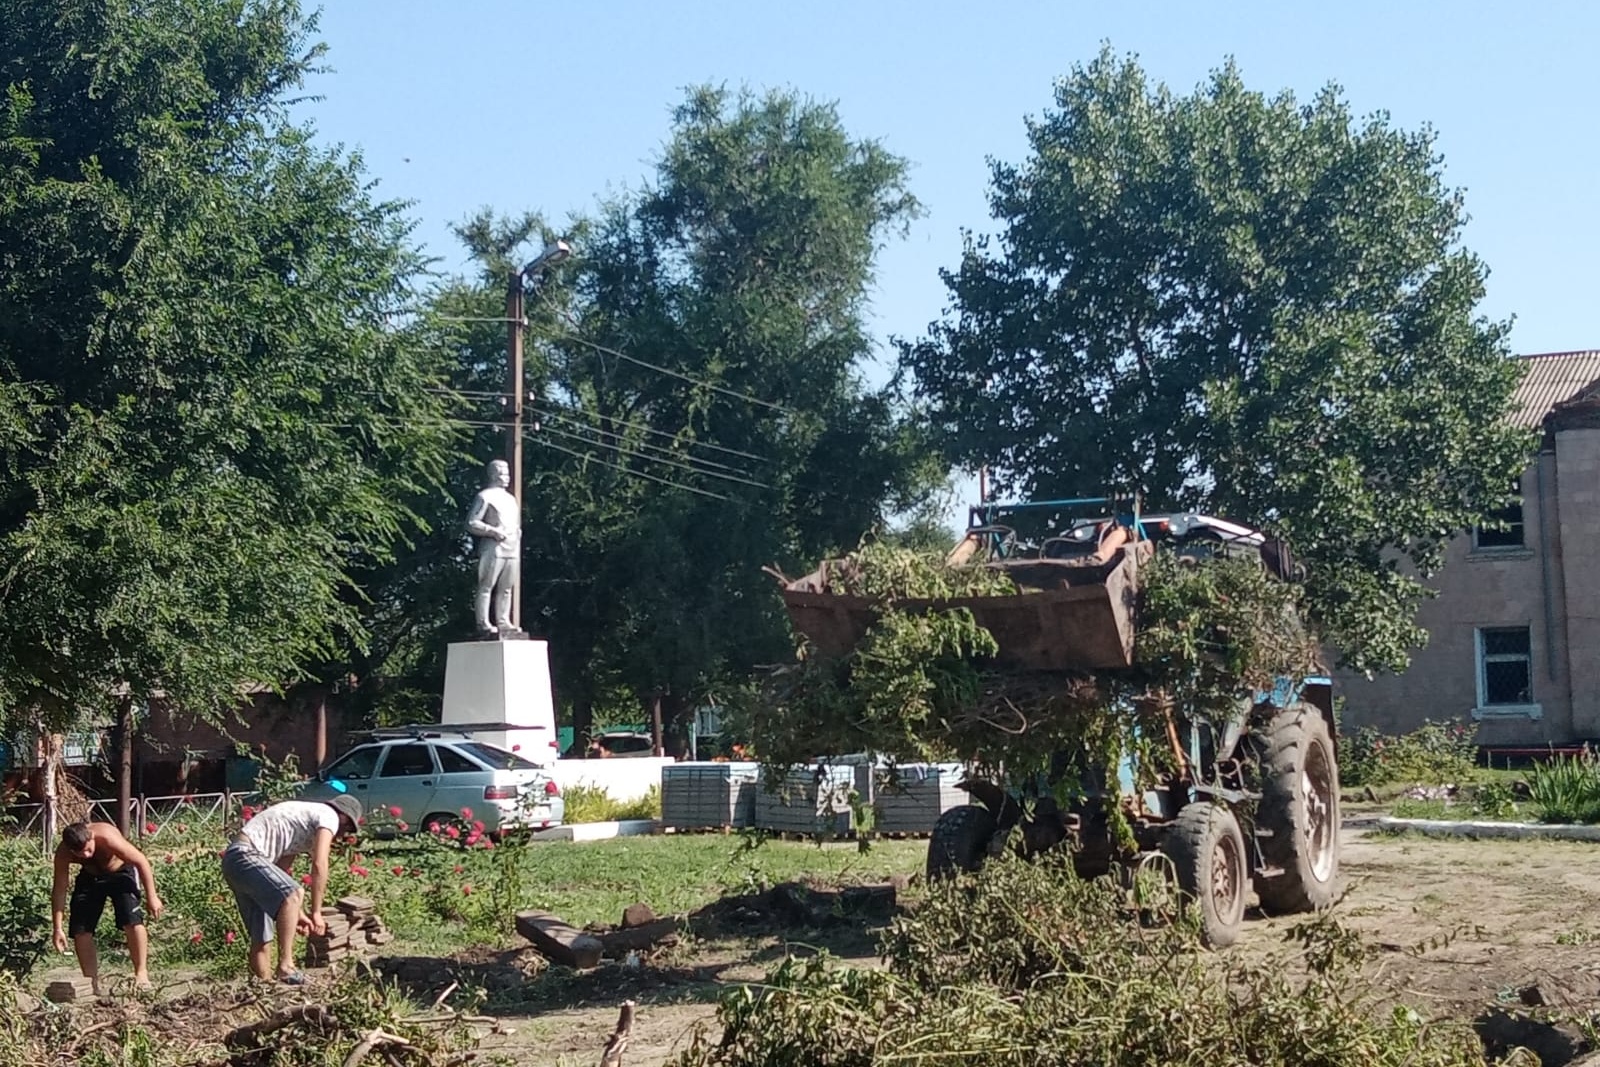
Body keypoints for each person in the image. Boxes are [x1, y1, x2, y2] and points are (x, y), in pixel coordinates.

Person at [220, 794, 361, 984]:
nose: (342, 835)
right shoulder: (329, 816)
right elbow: (320, 864)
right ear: (343, 817)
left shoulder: (301, 822)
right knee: (295, 892)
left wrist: (298, 914)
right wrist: (316, 912)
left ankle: (263, 990)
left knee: (262, 937)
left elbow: (280, 873)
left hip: (234, 862)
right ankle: (286, 966)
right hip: (247, 855)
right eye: (347, 829)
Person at [49, 820, 164, 995]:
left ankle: (141, 974)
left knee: (131, 920)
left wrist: (152, 896)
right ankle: (91, 983)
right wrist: (57, 928)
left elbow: (141, 861)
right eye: (80, 853)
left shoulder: (107, 836)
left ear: (92, 837)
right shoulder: (63, 853)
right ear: (71, 849)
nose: (86, 855)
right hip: (91, 877)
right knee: (81, 929)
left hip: (121, 872)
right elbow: (59, 889)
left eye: (89, 849)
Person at [465, 458, 522, 635]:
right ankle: (483, 623)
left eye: (507, 473)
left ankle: (504, 620)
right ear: (493, 474)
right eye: (503, 473)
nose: (507, 477)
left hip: (512, 546)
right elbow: (471, 522)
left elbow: (516, 523)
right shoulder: (485, 496)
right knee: (486, 585)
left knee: (507, 587)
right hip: (493, 546)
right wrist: (492, 531)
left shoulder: (511, 499)